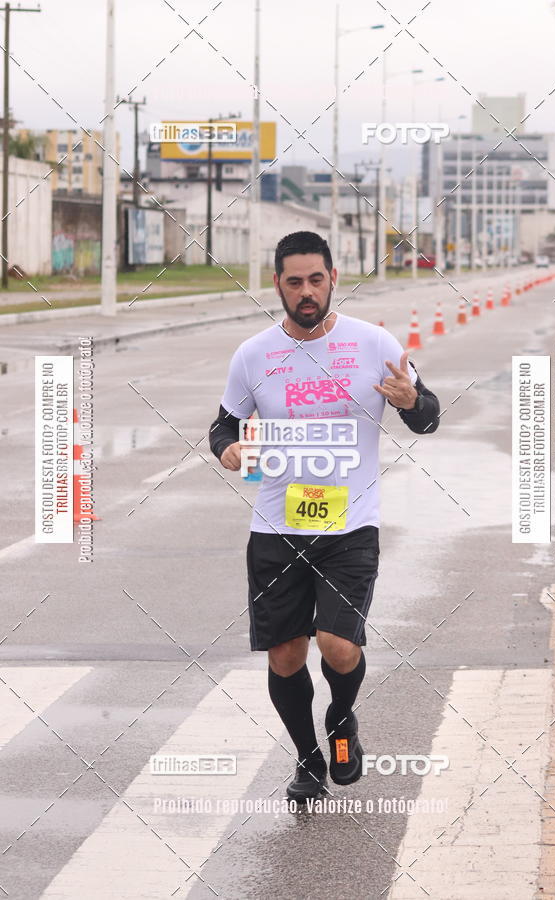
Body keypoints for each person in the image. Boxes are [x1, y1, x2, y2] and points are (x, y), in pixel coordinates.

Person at [209, 231, 440, 802]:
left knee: (337, 646)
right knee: (286, 654)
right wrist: (228, 450)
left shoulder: (374, 342)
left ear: (333, 278)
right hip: (276, 528)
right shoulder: (253, 355)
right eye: (295, 282)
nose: (307, 292)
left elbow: (428, 416)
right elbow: (223, 425)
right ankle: (308, 758)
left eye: (316, 279)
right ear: (277, 285)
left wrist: (411, 402)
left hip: (350, 526)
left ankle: (341, 717)